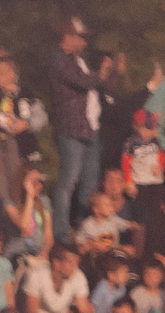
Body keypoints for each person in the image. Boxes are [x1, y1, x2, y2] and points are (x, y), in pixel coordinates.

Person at [49, 17, 112, 235]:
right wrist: (102, 72)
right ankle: (60, 232)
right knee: (68, 182)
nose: (84, 42)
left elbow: (94, 85)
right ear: (67, 37)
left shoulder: (77, 60)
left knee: (89, 184)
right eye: (80, 37)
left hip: (88, 129)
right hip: (71, 129)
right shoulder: (59, 60)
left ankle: (86, 230)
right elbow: (85, 82)